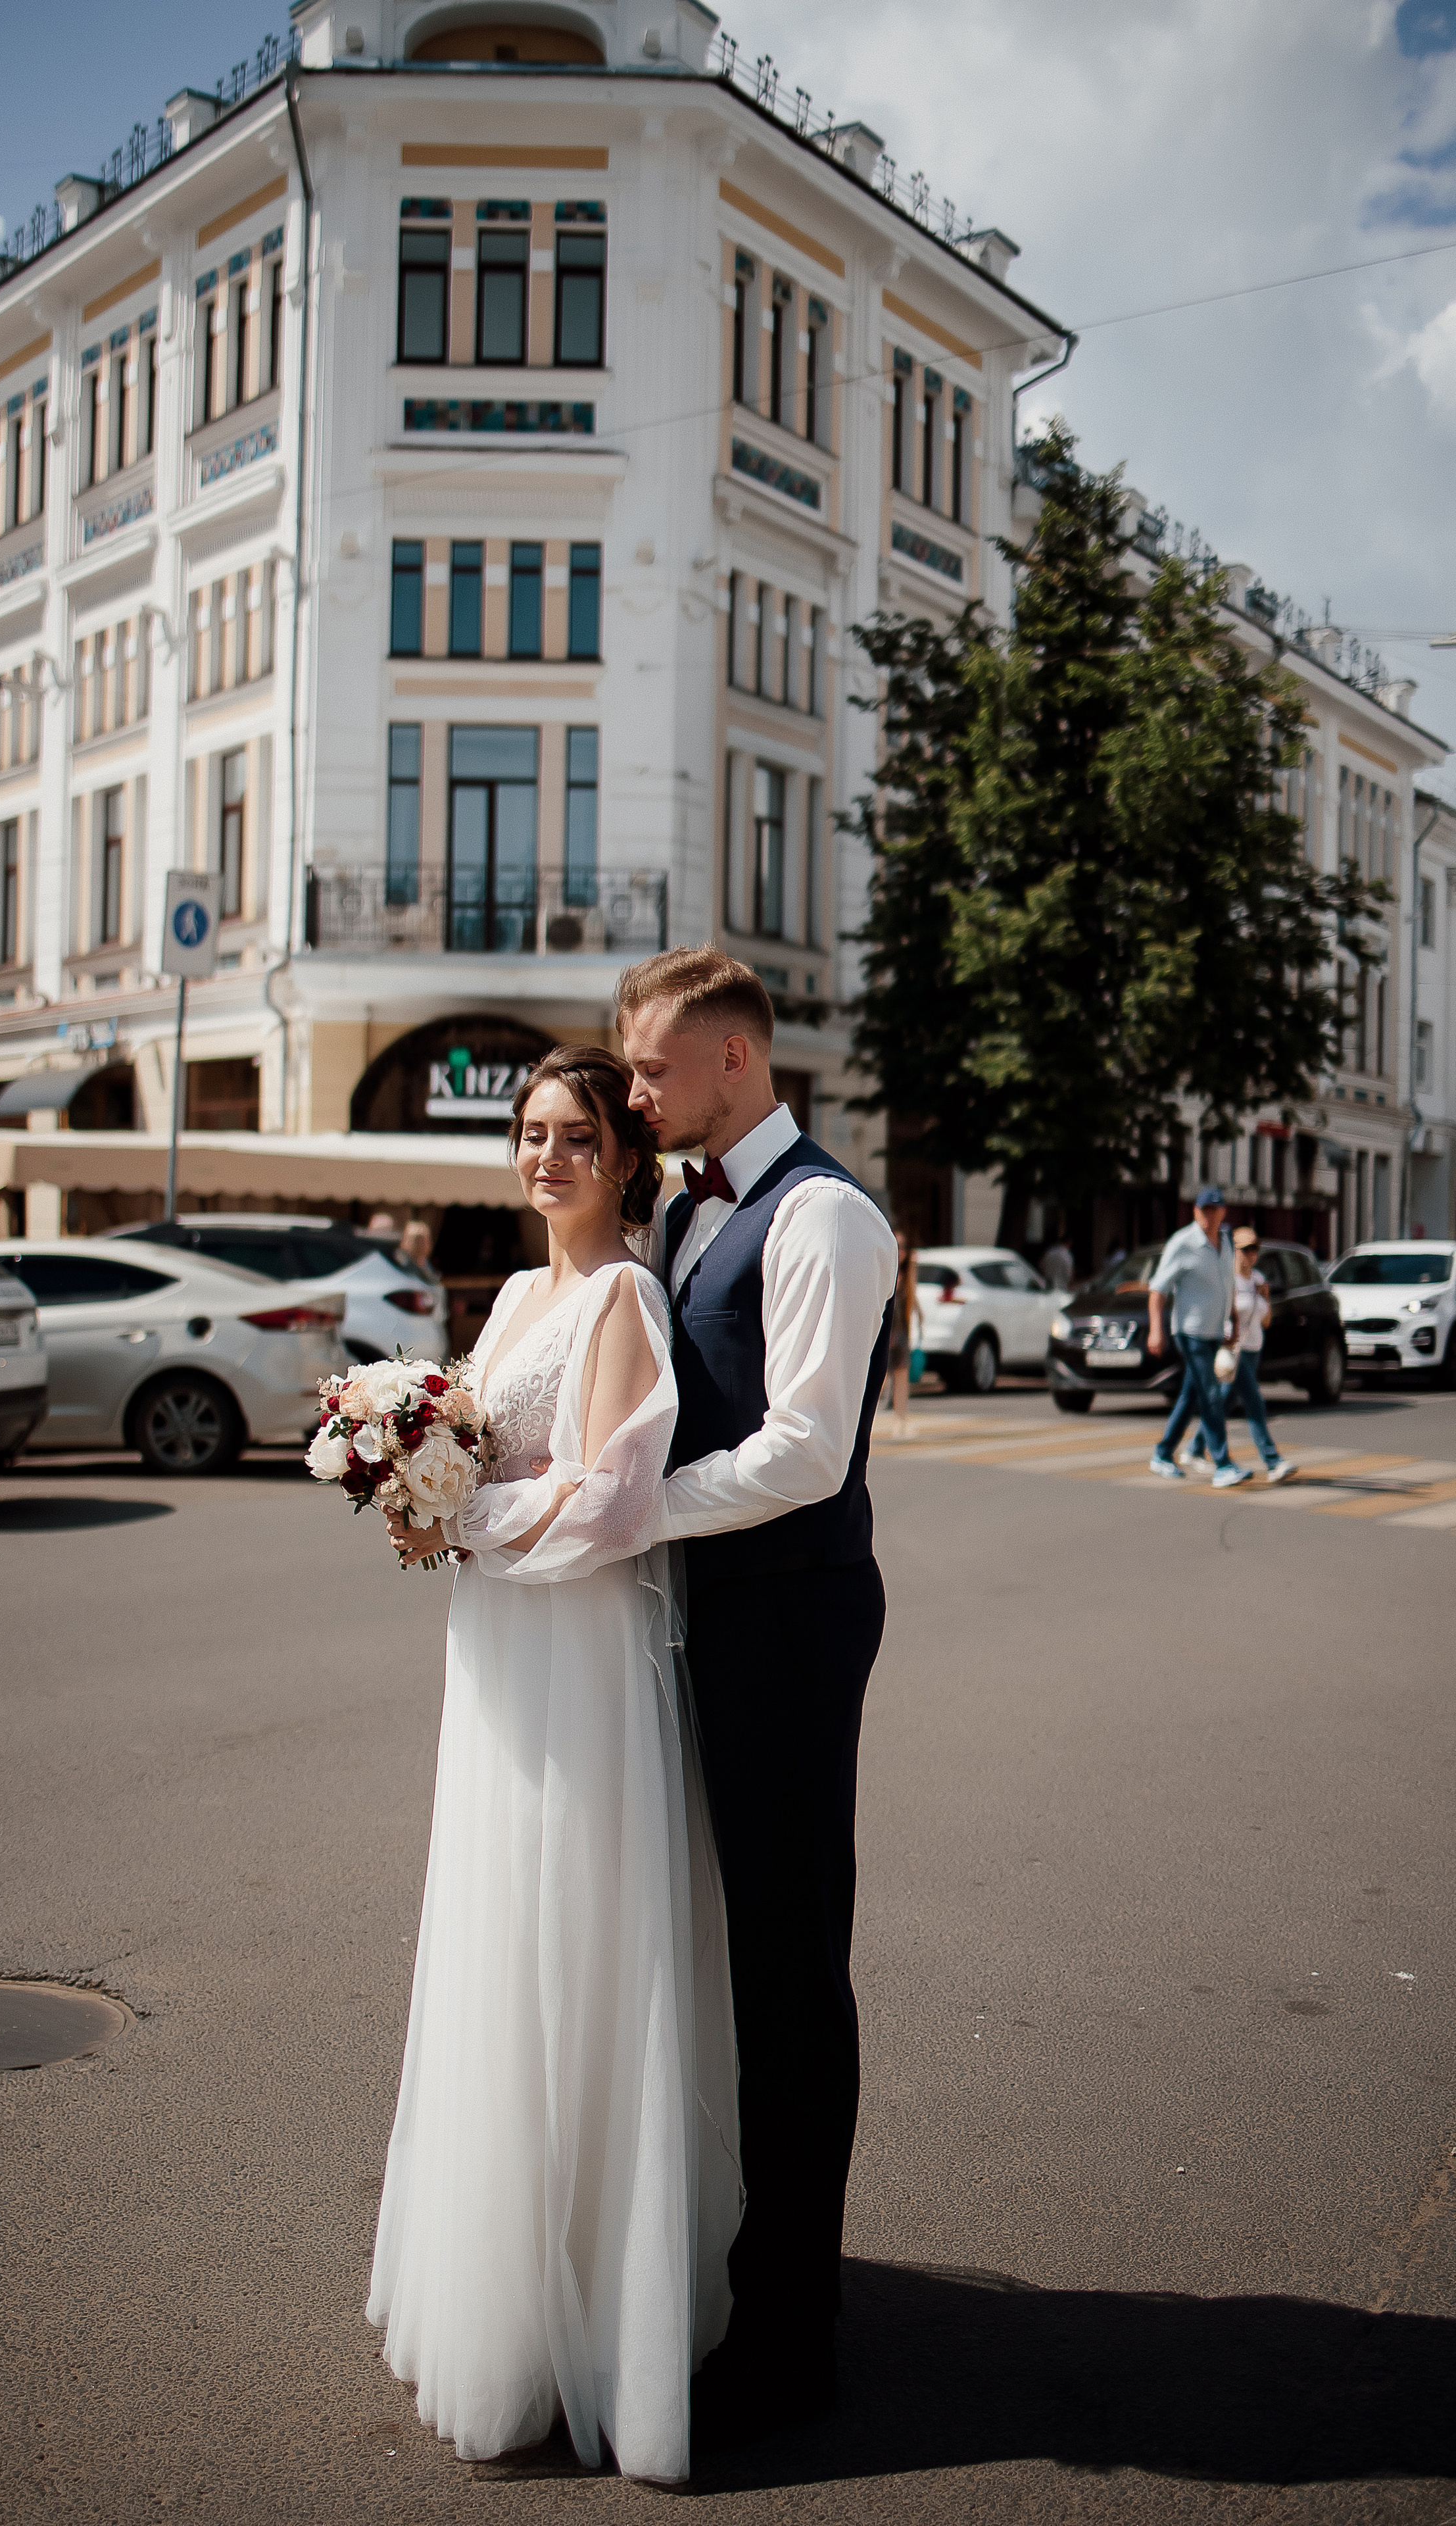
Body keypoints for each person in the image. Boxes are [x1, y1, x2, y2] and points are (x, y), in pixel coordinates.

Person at [367, 1044, 740, 2483]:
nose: (546, 1157)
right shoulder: (518, 1295)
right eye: (529, 1134)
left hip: (575, 1654)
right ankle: (501, 2286)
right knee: (491, 1938)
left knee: (570, 1941)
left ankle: (593, 2292)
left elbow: (607, 1504)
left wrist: (453, 1521)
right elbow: (473, 1443)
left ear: (621, 1157)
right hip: (495, 1660)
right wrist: (407, 1481)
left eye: (575, 1135)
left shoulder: (622, 1299)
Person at [617, 945, 896, 2447]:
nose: (635, 1088)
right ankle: (725, 2261)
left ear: (735, 1058)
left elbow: (801, 1450)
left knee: (789, 1970)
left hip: (785, 1620)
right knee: (716, 1955)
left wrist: (625, 1510)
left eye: (654, 1066)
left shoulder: (828, 1216)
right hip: (697, 1614)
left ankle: (795, 2327)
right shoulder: (678, 1210)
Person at [1146, 1186, 1250, 1488]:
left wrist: (1233, 1320)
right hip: (1190, 1332)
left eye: (1214, 1210)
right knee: (1210, 1394)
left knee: (1191, 1396)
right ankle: (1223, 1464)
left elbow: (1227, 1284)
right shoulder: (1183, 1243)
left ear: (1223, 1212)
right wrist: (1156, 1329)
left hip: (1214, 1332)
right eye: (1203, 1210)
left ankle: (1163, 1453)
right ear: (1195, 1212)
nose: (1208, 1216)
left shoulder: (1226, 1243)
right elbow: (1157, 1290)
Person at [1183, 1225, 1296, 1483]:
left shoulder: (1258, 1280)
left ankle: (1195, 1448)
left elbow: (1266, 1321)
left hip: (1254, 1349)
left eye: (1255, 1249)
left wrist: (1265, 1298)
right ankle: (1272, 1461)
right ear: (1234, 1251)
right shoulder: (1228, 1281)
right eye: (1246, 1250)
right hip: (1235, 1351)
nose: (1251, 1255)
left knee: (1223, 1403)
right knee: (1255, 1404)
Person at [884, 1233, 921, 1435]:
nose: (901, 1253)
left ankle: (900, 1420)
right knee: (879, 1378)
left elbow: (912, 1301)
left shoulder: (907, 1275)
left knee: (901, 1376)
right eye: (897, 1247)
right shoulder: (886, 1268)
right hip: (884, 1331)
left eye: (904, 1248)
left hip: (901, 1332)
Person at [1040, 1223, 1075, 1292]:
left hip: (1048, 1285)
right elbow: (1069, 1273)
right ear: (1069, 1243)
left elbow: (1041, 1266)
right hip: (1062, 1287)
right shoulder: (1067, 1256)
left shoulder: (1050, 1252)